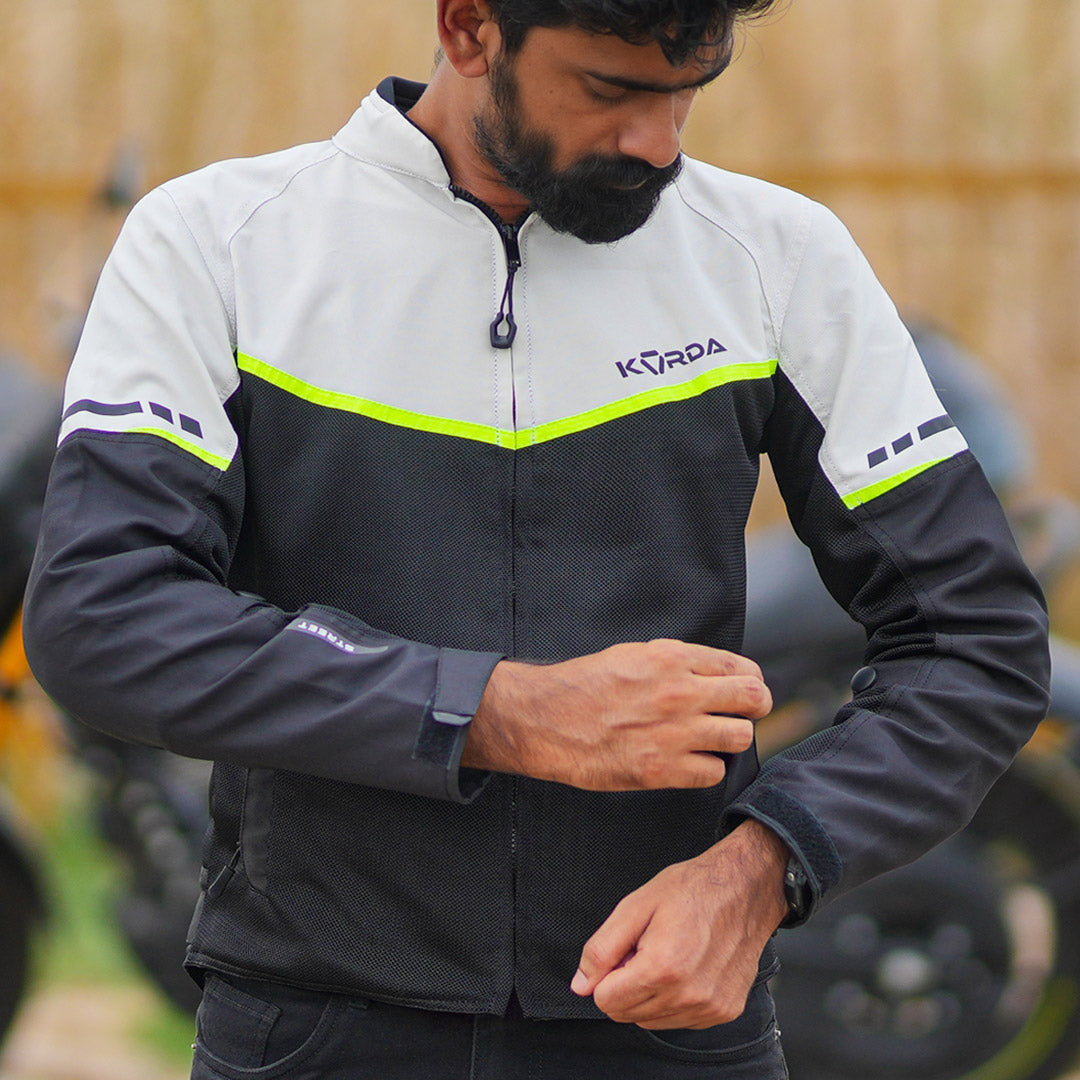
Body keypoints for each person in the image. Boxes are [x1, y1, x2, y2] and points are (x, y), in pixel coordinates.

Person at [23, 2, 1050, 1077]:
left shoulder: (778, 258)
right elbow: (104, 616)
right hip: (315, 1025)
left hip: (671, 1032)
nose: (658, 143)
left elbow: (976, 638)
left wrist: (763, 868)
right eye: (610, 89)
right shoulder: (216, 244)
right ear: (469, 29)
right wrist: (493, 713)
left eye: (688, 89)